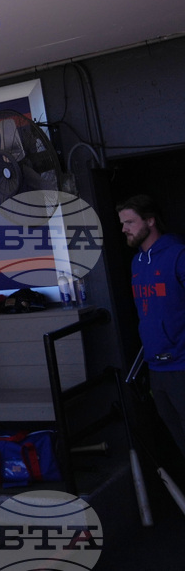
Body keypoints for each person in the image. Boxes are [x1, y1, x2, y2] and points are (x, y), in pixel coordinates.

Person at [117, 194, 185, 457]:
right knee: (178, 439)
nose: (124, 229)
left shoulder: (177, 254)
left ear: (150, 221)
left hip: (181, 364)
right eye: (122, 223)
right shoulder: (137, 262)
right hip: (156, 367)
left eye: (130, 222)